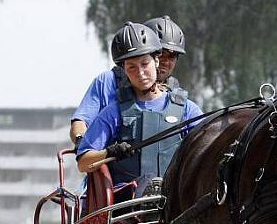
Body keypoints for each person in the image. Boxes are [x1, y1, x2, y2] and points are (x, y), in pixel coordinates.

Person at [76, 21, 202, 197]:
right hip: (127, 208)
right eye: (132, 67)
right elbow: (83, 162)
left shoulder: (187, 109)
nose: (140, 73)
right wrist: (109, 152)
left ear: (156, 61)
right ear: (123, 70)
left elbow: (208, 147)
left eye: (144, 63)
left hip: (176, 202)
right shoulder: (112, 113)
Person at [69, 15, 188, 145]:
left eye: (172, 56)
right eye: (161, 53)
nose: (165, 61)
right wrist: (84, 144)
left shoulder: (178, 98)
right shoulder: (108, 82)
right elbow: (81, 122)